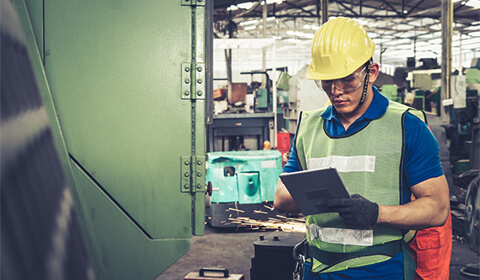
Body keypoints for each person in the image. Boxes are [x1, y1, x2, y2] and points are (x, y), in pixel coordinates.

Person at [274, 17, 450, 280]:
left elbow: (438, 208)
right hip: (317, 269)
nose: (336, 91)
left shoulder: (406, 126)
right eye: (326, 81)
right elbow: (280, 199)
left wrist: (377, 213)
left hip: (380, 270)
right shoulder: (308, 127)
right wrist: (314, 195)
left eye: (347, 80)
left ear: (372, 72)